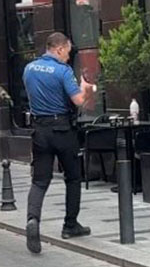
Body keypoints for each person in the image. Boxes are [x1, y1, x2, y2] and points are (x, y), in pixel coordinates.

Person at [22, 32, 95, 254]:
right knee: (73, 177)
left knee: (39, 180)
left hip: (39, 129)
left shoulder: (29, 69)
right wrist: (87, 90)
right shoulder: (63, 71)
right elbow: (78, 100)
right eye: (68, 52)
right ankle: (70, 225)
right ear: (60, 49)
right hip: (62, 130)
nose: (68, 57)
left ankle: (33, 219)